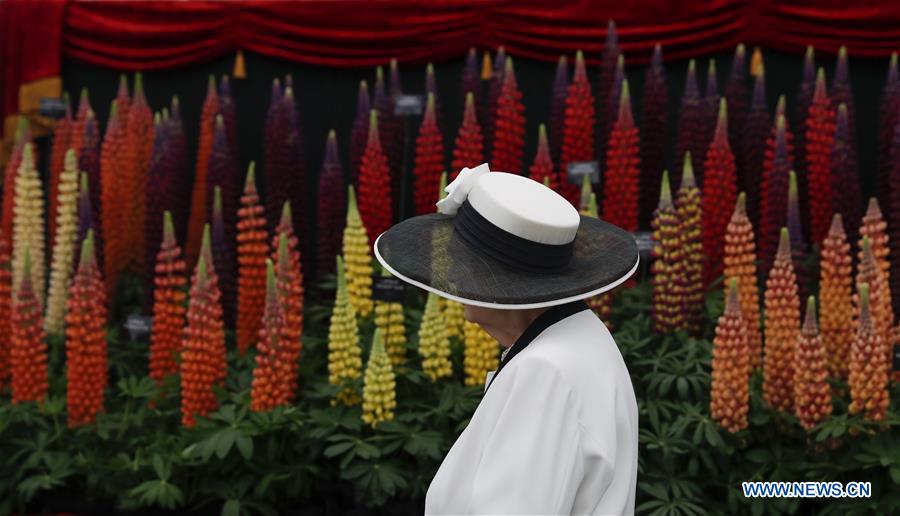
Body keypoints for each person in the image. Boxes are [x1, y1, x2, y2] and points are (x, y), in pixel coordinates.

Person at [374, 163, 640, 515]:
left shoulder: (545, 372)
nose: (451, 269)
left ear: (499, 280)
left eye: (463, 258)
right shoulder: (576, 336)